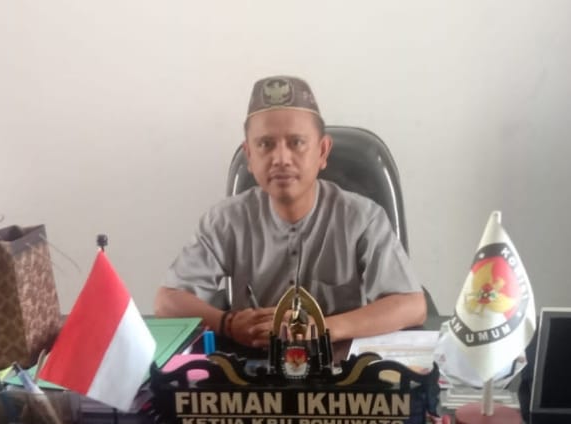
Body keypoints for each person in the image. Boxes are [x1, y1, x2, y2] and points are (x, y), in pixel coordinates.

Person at [155, 75, 426, 348]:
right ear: (249, 156)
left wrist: (322, 328)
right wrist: (228, 323)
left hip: (338, 364)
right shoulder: (225, 221)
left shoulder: (362, 218)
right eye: (265, 144)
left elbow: (411, 305)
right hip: (255, 364)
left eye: (296, 143)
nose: (281, 159)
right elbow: (167, 301)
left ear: (322, 151)